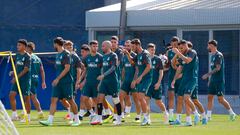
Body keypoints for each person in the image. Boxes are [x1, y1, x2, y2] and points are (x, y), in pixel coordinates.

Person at [39, 37, 80, 126]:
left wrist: (58, 78)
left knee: (71, 100)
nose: (53, 45)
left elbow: (67, 68)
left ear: (56, 44)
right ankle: (49, 121)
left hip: (66, 82)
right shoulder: (58, 55)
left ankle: (77, 120)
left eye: (54, 44)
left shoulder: (66, 54)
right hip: (58, 83)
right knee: (53, 100)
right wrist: (57, 79)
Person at [202, 40, 236, 121]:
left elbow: (218, 68)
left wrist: (207, 75)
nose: (207, 47)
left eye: (208, 46)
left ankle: (232, 113)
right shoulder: (212, 56)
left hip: (219, 81)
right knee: (209, 97)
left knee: (220, 100)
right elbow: (214, 69)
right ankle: (208, 116)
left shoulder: (218, 55)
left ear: (212, 46)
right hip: (213, 81)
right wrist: (210, 80)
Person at [90, 40, 122, 126]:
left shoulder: (113, 55)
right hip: (104, 82)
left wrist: (104, 75)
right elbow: (102, 70)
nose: (101, 47)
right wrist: (100, 82)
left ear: (108, 46)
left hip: (112, 81)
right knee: (99, 98)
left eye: (103, 46)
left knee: (115, 100)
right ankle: (99, 119)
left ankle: (118, 118)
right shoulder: (103, 57)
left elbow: (113, 68)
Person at [171, 40, 200, 126]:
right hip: (184, 79)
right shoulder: (181, 54)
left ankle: (196, 114)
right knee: (179, 98)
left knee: (186, 98)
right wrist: (174, 79)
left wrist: (178, 52)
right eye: (179, 48)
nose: (181, 49)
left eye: (182, 47)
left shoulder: (192, 52)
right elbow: (178, 67)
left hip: (192, 79)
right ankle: (178, 119)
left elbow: (187, 60)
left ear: (186, 45)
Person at [123, 38, 152, 126]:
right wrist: (128, 53)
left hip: (146, 78)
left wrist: (140, 77)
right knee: (141, 98)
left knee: (140, 97)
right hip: (141, 79)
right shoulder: (138, 54)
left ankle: (146, 118)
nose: (132, 48)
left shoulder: (145, 54)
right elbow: (132, 62)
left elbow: (149, 66)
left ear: (138, 45)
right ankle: (147, 118)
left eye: (133, 46)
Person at [146, 43, 169, 124]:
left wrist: (159, 83)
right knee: (146, 101)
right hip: (147, 84)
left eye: (154, 50)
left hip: (156, 84)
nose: (152, 51)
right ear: (147, 50)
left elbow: (161, 72)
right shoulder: (145, 59)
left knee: (158, 102)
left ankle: (166, 114)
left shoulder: (158, 59)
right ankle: (147, 119)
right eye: (151, 50)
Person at [9, 39, 31, 122]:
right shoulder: (17, 55)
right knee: (11, 95)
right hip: (17, 80)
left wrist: (16, 78)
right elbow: (16, 66)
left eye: (20, 45)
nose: (18, 46)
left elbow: (26, 70)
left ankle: (27, 117)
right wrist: (13, 72)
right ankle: (14, 115)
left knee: (26, 98)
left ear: (24, 47)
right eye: (17, 45)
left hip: (25, 80)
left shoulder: (27, 56)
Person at [81, 40, 103, 122]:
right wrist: (80, 79)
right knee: (85, 99)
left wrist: (101, 82)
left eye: (96, 46)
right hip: (88, 82)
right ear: (90, 47)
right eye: (93, 46)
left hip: (96, 82)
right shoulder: (86, 58)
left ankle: (97, 117)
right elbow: (86, 69)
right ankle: (92, 113)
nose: (95, 47)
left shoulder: (100, 57)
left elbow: (103, 70)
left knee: (96, 100)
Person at [120, 40, 141, 123]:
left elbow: (137, 69)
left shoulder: (135, 55)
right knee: (120, 96)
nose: (127, 47)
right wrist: (122, 79)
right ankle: (121, 114)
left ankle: (138, 115)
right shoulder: (124, 56)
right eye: (126, 46)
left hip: (133, 80)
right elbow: (124, 68)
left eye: (129, 46)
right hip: (126, 80)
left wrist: (134, 80)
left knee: (136, 99)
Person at [26, 42, 46, 119]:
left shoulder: (28, 57)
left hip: (29, 79)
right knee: (33, 97)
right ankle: (39, 112)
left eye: (26, 48)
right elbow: (42, 71)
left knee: (29, 97)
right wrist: (43, 81)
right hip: (36, 79)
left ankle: (29, 115)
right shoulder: (38, 58)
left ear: (29, 48)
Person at [165, 36, 179, 122]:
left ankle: (178, 117)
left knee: (181, 98)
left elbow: (176, 66)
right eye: (173, 42)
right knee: (171, 97)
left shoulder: (181, 51)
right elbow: (167, 65)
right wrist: (163, 62)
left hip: (180, 77)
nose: (174, 44)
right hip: (171, 77)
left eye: (176, 42)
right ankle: (170, 117)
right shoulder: (168, 52)